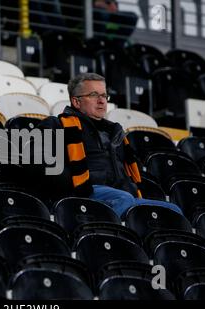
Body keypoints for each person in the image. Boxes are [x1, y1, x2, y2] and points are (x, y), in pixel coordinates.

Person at [40, 73, 183, 217]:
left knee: (173, 210)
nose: (102, 101)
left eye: (104, 96)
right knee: (123, 198)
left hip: (124, 196)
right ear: (76, 102)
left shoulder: (116, 132)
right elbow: (36, 163)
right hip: (84, 194)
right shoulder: (57, 124)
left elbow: (134, 174)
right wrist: (73, 184)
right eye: (94, 95)